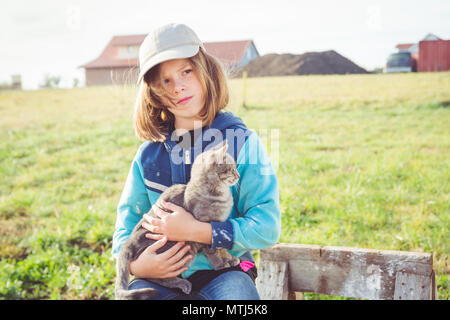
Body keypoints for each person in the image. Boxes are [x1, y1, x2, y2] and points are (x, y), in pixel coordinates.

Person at [112, 23, 280, 300]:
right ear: (153, 91)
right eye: (165, 80)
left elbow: (267, 226)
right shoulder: (148, 155)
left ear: (205, 70)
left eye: (186, 72)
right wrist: (135, 264)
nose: (177, 87)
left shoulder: (242, 145)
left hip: (225, 273)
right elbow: (125, 224)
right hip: (159, 277)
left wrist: (199, 231)